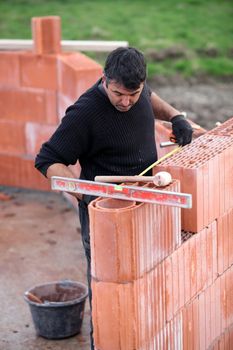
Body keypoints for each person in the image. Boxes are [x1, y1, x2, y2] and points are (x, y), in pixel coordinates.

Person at [35, 46, 193, 349]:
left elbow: (149, 98)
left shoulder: (137, 91)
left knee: (146, 284)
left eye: (133, 94)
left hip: (145, 205)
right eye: (119, 94)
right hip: (106, 215)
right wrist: (86, 193)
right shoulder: (85, 113)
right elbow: (47, 159)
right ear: (105, 79)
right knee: (111, 295)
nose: (126, 102)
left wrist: (177, 116)